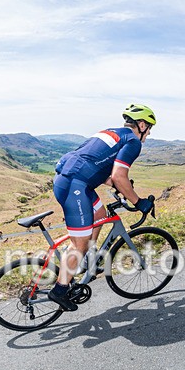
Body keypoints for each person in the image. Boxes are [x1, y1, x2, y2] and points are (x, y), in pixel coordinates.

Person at [48, 104, 157, 311]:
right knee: (79, 244)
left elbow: (95, 164)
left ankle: (84, 258)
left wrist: (119, 187)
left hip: (74, 180)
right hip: (75, 187)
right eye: (149, 127)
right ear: (141, 124)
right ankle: (60, 290)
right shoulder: (133, 141)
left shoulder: (111, 132)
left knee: (100, 213)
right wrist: (138, 202)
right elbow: (118, 175)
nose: (149, 132)